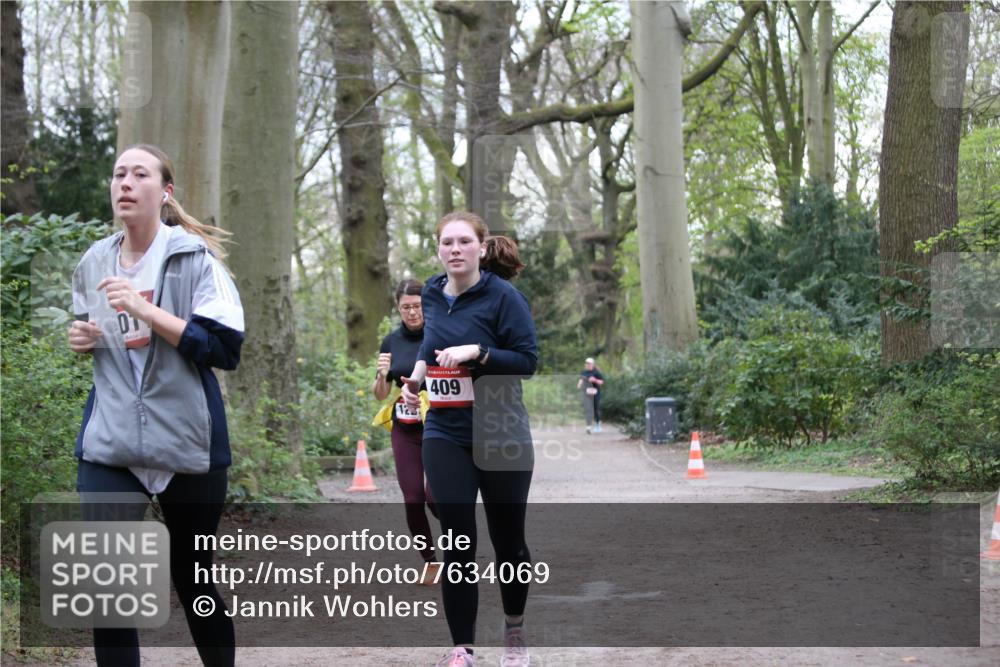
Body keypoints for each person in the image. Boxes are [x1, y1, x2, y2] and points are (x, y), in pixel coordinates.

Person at [68, 144, 243, 667]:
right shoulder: (93, 261)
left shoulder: (195, 259)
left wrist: (148, 309)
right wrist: (84, 337)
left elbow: (224, 350)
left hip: (186, 440)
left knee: (193, 578)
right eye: (118, 173)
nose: (124, 182)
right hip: (113, 442)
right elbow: (105, 340)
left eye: (139, 173)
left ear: (163, 191)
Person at [401, 212, 537, 667]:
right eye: (446, 242)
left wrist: (478, 353)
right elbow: (428, 343)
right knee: (457, 541)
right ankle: (463, 649)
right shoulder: (433, 293)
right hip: (446, 431)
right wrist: (417, 379)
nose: (454, 249)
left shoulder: (504, 298)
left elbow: (527, 360)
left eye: (463, 241)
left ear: (481, 247)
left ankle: (514, 630)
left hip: (501, 433)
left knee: (508, 544)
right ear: (438, 249)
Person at [372, 278, 439, 583]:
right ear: (398, 308)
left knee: (435, 498)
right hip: (406, 424)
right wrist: (383, 375)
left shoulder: (441, 333)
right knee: (412, 497)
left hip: (440, 423)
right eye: (406, 307)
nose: (412, 313)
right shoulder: (390, 342)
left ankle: (459, 544)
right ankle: (430, 561)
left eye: (418, 306)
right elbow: (380, 393)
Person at [577, 357, 605, 433]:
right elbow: (581, 380)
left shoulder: (597, 372)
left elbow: (601, 382)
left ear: (592, 364)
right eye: (586, 363)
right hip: (587, 393)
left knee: (595, 408)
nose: (587, 365)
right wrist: (579, 385)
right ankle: (588, 426)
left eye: (589, 364)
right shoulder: (583, 372)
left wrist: (595, 380)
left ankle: (598, 424)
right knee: (588, 409)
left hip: (595, 393)